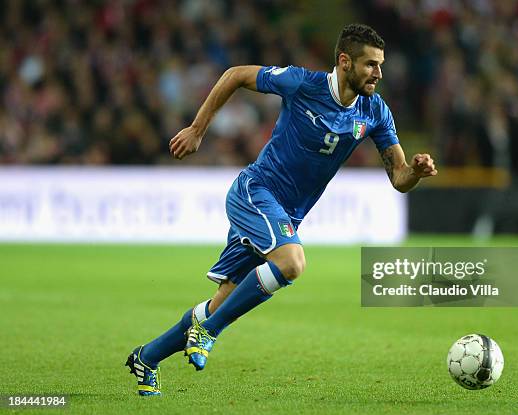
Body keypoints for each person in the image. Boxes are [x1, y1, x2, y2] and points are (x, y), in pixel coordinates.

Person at [125, 23, 437, 396]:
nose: (378, 73)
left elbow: (398, 177)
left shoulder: (375, 111)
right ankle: (208, 333)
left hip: (286, 214)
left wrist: (415, 172)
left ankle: (147, 357)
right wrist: (197, 129)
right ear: (344, 62)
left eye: (380, 65)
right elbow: (236, 75)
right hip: (255, 191)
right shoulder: (303, 84)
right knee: (292, 262)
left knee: (221, 302)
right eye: (370, 64)